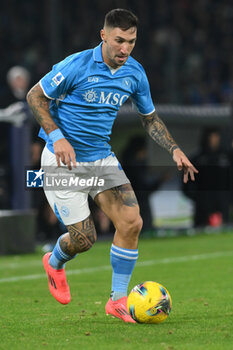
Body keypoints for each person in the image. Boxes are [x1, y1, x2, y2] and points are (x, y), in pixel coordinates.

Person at [27, 9, 198, 323]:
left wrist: (173, 148)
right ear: (103, 35)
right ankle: (54, 261)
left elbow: (149, 119)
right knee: (84, 239)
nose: (125, 48)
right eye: (119, 40)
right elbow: (35, 96)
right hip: (62, 160)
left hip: (101, 158)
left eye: (131, 42)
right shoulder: (76, 65)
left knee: (132, 222)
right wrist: (57, 136)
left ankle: (117, 300)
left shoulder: (134, 73)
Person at [182, 128, 231, 227]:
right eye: (210, 137)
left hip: (222, 205)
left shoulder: (227, 157)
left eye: (215, 137)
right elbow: (186, 185)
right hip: (203, 207)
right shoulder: (196, 159)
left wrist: (227, 200)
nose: (212, 140)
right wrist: (198, 199)